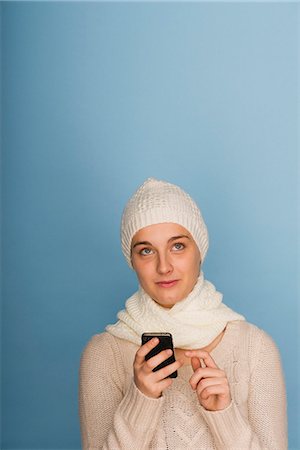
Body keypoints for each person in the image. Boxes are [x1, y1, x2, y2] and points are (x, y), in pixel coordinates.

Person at [79, 177, 287, 449]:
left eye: (177, 246)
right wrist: (141, 400)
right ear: (132, 261)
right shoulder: (104, 353)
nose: (164, 266)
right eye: (146, 251)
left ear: (199, 250)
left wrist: (224, 415)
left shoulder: (255, 348)